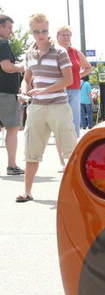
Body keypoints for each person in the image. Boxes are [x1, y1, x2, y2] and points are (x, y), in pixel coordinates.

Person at [17, 13, 76, 203]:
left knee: (70, 151)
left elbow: (68, 79)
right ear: (31, 31)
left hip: (59, 105)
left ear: (48, 30)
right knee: (31, 151)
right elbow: (26, 79)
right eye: (36, 31)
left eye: (43, 30)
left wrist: (43, 90)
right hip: (37, 107)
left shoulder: (60, 52)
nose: (40, 34)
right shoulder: (30, 54)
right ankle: (27, 192)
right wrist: (24, 92)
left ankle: (77, 193)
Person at [0, 14, 25, 176]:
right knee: (13, 128)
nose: (11, 31)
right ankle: (12, 165)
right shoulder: (3, 45)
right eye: (9, 27)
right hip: (5, 93)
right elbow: (6, 67)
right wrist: (22, 67)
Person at [56, 26, 91, 137]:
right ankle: (61, 143)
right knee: (61, 119)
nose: (66, 37)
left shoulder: (75, 52)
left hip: (75, 89)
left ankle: (74, 143)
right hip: (59, 90)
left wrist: (77, 76)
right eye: (63, 35)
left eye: (68, 35)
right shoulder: (53, 52)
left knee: (75, 119)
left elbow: (88, 68)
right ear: (57, 37)